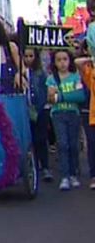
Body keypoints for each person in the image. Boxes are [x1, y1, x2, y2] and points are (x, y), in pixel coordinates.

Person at [46, 49, 85, 190]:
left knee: (73, 145)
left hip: (73, 113)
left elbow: (80, 96)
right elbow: (50, 99)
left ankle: (73, 174)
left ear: (69, 61)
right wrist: (61, 96)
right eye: (59, 60)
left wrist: (60, 96)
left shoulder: (75, 77)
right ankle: (64, 176)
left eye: (65, 59)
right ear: (54, 63)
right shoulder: (51, 79)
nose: (62, 63)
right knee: (62, 144)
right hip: (58, 114)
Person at [25, 48, 52, 182]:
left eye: (31, 56)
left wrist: (38, 109)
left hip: (39, 110)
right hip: (25, 110)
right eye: (26, 56)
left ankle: (45, 166)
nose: (28, 59)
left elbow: (43, 93)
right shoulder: (21, 73)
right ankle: (34, 166)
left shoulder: (41, 73)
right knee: (30, 140)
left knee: (41, 139)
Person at [74, 49, 95, 190]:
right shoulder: (92, 74)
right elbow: (77, 62)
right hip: (93, 117)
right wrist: (92, 59)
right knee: (93, 146)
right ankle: (94, 176)